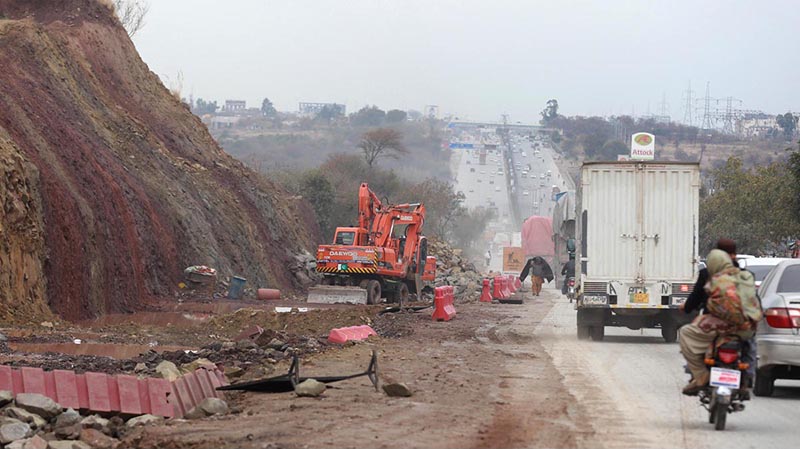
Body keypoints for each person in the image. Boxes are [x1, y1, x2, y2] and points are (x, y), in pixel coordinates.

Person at [679, 249, 762, 395]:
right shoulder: (746, 277)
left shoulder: (712, 280)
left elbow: (696, 299)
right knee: (750, 344)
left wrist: (687, 308)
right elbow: (756, 303)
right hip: (742, 328)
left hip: (716, 327)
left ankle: (698, 375)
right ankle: (747, 377)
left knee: (687, 334)